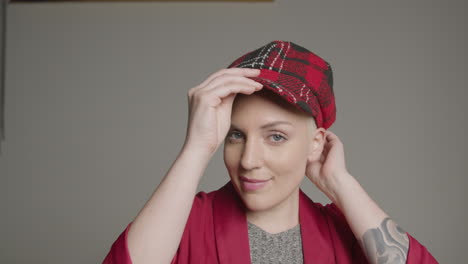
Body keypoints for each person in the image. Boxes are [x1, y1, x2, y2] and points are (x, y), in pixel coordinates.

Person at [102, 40, 438, 264]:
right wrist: (196, 148)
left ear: (316, 143)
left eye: (275, 136)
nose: (248, 160)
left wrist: (340, 183)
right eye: (236, 135)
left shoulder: (347, 231)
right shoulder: (185, 224)